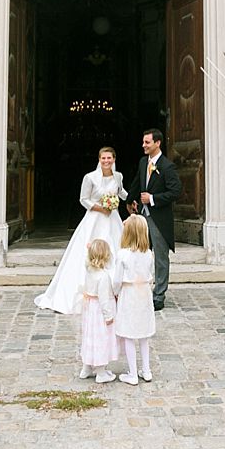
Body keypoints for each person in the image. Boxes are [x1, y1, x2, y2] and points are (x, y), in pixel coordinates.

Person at [36, 147, 127, 314]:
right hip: (95, 219)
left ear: (114, 159)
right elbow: (83, 199)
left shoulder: (118, 176)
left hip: (113, 219)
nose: (106, 161)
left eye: (109, 158)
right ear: (99, 159)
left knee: (116, 248)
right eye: (103, 158)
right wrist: (101, 208)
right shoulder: (90, 178)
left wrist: (130, 198)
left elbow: (121, 192)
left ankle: (115, 291)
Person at [119, 129, 181, 311]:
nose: (143, 145)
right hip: (142, 217)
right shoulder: (142, 162)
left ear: (157, 143)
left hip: (159, 218)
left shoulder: (168, 167)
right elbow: (138, 182)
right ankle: (140, 289)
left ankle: (159, 295)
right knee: (138, 253)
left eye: (147, 142)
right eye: (143, 142)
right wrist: (131, 200)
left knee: (160, 257)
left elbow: (175, 191)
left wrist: (153, 199)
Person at [113, 215, 157, 385]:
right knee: (144, 335)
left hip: (129, 294)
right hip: (144, 293)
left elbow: (117, 280)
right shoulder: (148, 254)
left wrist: (115, 292)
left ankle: (132, 373)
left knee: (129, 335)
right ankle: (146, 370)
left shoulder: (122, 255)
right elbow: (150, 274)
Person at [77, 238, 118, 383]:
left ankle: (86, 368)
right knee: (101, 339)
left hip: (90, 310)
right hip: (100, 313)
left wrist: (89, 249)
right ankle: (101, 372)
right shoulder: (103, 276)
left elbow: (85, 262)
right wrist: (109, 316)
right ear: (106, 257)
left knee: (90, 337)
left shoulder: (89, 270)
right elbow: (104, 300)